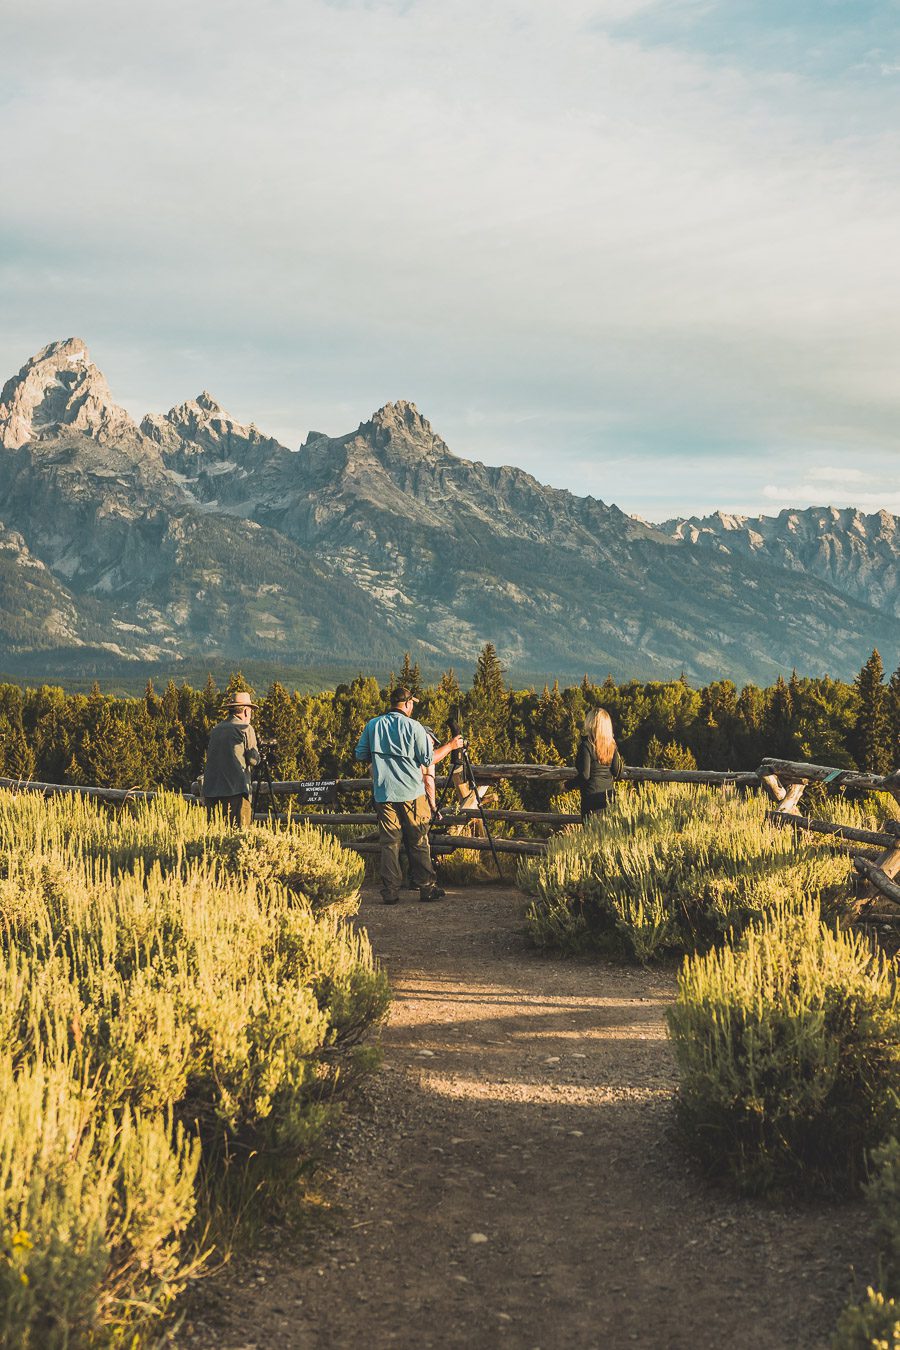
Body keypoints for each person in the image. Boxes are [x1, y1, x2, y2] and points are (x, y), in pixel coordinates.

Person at [355, 686, 463, 905]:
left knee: (389, 844)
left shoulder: (373, 725)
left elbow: (360, 754)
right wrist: (451, 746)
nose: (413, 706)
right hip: (412, 793)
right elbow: (428, 760)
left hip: (384, 793)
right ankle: (426, 887)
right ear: (406, 704)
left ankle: (390, 891)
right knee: (418, 841)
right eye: (412, 703)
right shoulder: (415, 728)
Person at [202, 690, 260, 827]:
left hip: (211, 791)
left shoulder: (216, 730)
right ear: (246, 711)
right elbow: (253, 760)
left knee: (216, 836)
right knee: (239, 834)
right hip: (236, 791)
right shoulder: (245, 728)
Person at [574, 707, 624, 821]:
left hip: (591, 798)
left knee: (590, 834)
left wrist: (568, 785)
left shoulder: (586, 745)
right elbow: (617, 771)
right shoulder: (611, 745)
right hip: (608, 798)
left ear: (591, 723)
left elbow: (585, 775)